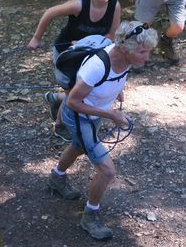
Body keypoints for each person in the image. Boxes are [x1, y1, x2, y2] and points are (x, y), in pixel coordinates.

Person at [47, 21, 157, 241]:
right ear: (125, 48)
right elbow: (73, 102)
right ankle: (89, 217)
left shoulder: (125, 59)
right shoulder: (97, 66)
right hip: (79, 116)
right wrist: (112, 115)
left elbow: (114, 77)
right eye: (143, 52)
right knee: (107, 171)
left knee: (78, 146)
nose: (148, 57)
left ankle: (56, 178)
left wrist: (117, 90)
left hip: (94, 113)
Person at [28, 0, 121, 141]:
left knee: (85, 90)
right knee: (75, 93)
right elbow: (49, 13)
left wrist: (86, 42)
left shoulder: (114, 6)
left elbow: (111, 35)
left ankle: (55, 99)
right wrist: (36, 38)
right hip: (66, 55)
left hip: (89, 55)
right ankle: (60, 125)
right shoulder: (79, 4)